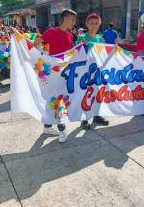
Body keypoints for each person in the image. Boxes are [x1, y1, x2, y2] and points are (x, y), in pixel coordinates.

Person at [35, 9, 77, 143]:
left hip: (64, 73)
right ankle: (61, 128)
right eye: (72, 20)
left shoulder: (70, 35)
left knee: (55, 99)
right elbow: (37, 43)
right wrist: (44, 58)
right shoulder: (51, 32)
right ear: (65, 19)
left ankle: (47, 126)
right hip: (52, 74)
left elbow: (70, 53)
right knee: (59, 99)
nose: (74, 23)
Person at [77, 13, 110, 130]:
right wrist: (83, 45)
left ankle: (96, 116)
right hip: (85, 72)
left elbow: (102, 54)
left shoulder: (99, 38)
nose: (94, 25)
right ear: (87, 24)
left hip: (97, 71)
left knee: (98, 94)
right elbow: (77, 54)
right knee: (86, 95)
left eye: (97, 23)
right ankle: (84, 119)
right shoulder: (82, 38)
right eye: (92, 23)